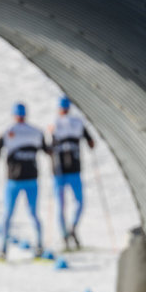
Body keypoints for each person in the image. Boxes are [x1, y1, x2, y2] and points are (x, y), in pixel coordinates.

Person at [0, 102, 49, 259]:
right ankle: (39, 246)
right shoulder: (36, 131)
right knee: (34, 214)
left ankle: (3, 250)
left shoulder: (7, 132)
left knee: (7, 215)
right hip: (32, 179)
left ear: (14, 115)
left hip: (14, 181)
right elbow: (47, 150)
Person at [48, 96, 95, 250]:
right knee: (69, 204)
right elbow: (91, 143)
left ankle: (70, 231)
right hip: (63, 172)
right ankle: (67, 234)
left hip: (68, 171)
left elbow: (90, 141)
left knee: (73, 204)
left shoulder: (60, 123)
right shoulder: (72, 123)